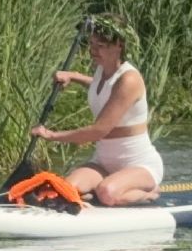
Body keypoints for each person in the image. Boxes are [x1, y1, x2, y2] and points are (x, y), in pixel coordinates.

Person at [29, 14, 163, 206]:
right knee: (66, 189)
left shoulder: (129, 79)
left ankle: (148, 193)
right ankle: (101, 190)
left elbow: (98, 131)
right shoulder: (102, 70)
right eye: (92, 44)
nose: (93, 50)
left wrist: (51, 135)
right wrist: (73, 76)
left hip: (139, 165)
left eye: (101, 46)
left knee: (107, 193)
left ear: (119, 45)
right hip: (102, 163)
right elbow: (104, 88)